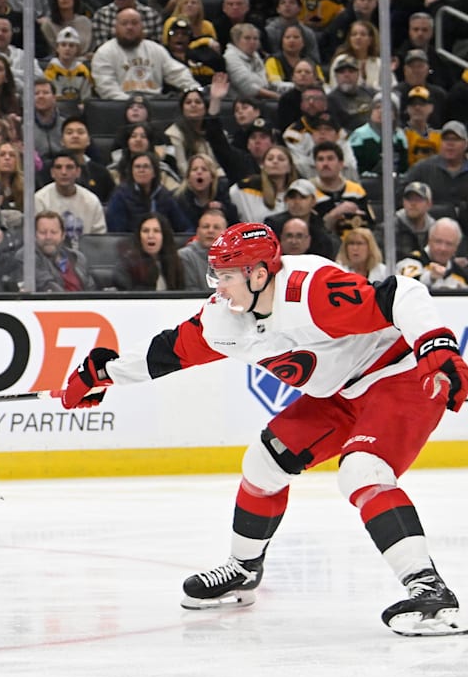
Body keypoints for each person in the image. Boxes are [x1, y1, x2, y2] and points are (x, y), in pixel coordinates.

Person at [59, 221, 468, 636]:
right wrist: (102, 373)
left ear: (258, 274)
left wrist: (437, 345)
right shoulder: (225, 317)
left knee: (363, 470)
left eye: (227, 276)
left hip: (401, 375)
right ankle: (243, 568)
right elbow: (170, 352)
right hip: (339, 393)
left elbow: (403, 293)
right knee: (263, 463)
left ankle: (430, 591)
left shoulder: (311, 290)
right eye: (215, 275)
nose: (218, 287)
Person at [35, 152, 106, 239]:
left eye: (69, 167)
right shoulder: (40, 199)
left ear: (78, 172)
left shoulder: (91, 201)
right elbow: (37, 237)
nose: (64, 172)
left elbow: (99, 239)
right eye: (58, 167)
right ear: (52, 173)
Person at [112, 211, 186, 290]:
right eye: (145, 231)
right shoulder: (127, 264)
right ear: (139, 236)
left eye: (156, 231)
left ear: (164, 236)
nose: (150, 236)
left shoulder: (174, 262)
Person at [397, 218, 468, 291]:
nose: (443, 248)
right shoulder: (410, 261)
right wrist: (430, 277)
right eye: (438, 241)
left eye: (449, 244)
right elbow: (408, 287)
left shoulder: (462, 276)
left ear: (456, 247)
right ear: (429, 240)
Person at [177, 207, 227, 291]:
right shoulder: (185, 256)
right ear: (198, 232)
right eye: (206, 227)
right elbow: (190, 291)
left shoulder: (235, 257)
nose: (210, 231)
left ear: (225, 233)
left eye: (216, 227)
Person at [394, 181, 436, 259]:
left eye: (418, 199)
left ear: (429, 204)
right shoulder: (389, 228)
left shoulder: (436, 231)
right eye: (409, 199)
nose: (413, 203)